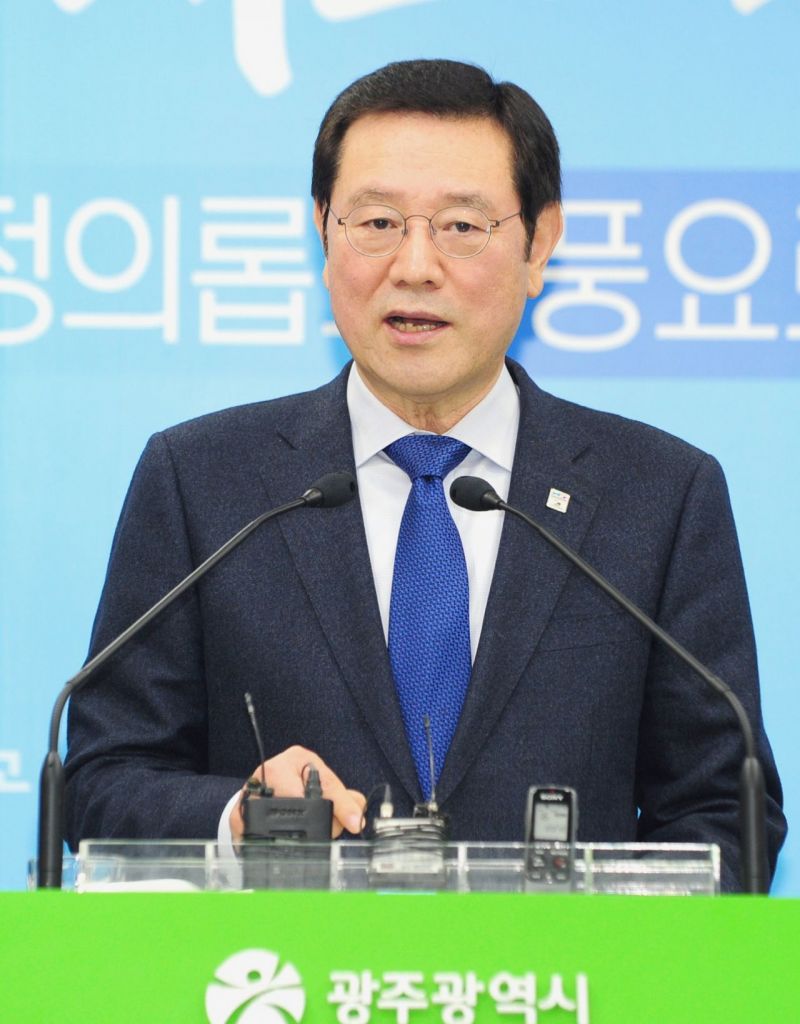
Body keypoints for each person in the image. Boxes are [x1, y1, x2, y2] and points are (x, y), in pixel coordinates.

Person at [65, 59, 786, 890]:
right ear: (322, 232)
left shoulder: (658, 496)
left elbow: (726, 810)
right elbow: (102, 781)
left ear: (539, 244)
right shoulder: (202, 481)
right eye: (376, 222)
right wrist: (239, 818)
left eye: (461, 226)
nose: (414, 265)